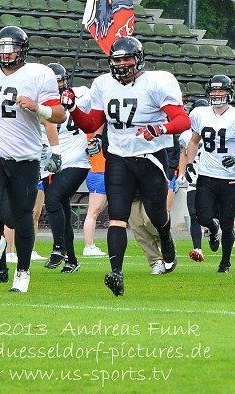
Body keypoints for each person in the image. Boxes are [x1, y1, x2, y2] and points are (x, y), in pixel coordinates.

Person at [63, 36, 189, 296]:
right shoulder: (102, 84)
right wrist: (73, 108)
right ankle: (116, 272)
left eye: (126, 59)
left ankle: (165, 237)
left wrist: (159, 127)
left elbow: (182, 121)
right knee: (117, 216)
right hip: (118, 156)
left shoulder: (156, 82)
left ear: (138, 60)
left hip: (150, 156)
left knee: (156, 214)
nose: (121, 64)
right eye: (117, 60)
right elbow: (90, 124)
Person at [0, 26, 66, 293]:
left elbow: (60, 114)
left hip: (25, 157)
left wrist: (37, 107)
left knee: (21, 216)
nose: (6, 53)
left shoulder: (40, 74)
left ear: (23, 50)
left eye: (12, 48)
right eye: (2, 47)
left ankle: (23, 271)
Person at [185, 75, 235, 273]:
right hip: (206, 175)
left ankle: (225, 263)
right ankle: (212, 228)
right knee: (202, 216)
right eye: (214, 91)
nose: (217, 94)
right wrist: (190, 164)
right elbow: (193, 141)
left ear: (229, 92)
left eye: (221, 91)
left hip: (229, 178)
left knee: (227, 223)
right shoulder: (200, 114)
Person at [42, 63, 92, 273]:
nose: (55, 85)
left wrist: (97, 137)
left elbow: (100, 112)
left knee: (52, 199)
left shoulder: (82, 95)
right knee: (60, 207)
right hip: (50, 163)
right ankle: (71, 260)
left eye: (58, 81)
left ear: (65, 80)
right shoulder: (39, 100)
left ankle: (58, 247)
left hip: (77, 160)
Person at [178, 99, 209, 261]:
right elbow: (184, 153)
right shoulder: (187, 135)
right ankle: (198, 247)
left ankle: (212, 230)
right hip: (194, 178)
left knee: (210, 216)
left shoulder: (216, 130)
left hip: (213, 178)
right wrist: (181, 173)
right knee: (194, 214)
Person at [82, 130, 107, 256]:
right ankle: (88, 245)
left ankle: (90, 245)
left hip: (100, 172)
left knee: (95, 212)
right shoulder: (92, 133)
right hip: (98, 173)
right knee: (93, 212)